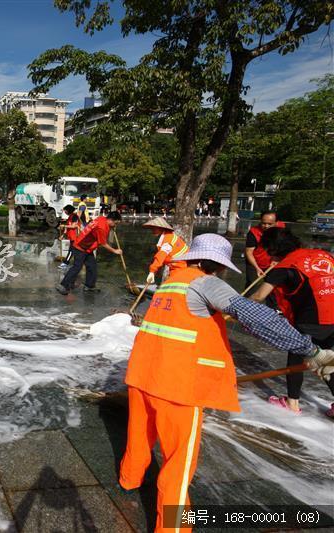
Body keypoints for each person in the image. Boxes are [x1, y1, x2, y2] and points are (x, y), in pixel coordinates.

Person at [120, 233, 334, 532]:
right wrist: (310, 350)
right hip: (176, 386)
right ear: (219, 266)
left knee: (139, 436)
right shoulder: (206, 283)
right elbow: (257, 317)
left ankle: (130, 480)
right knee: (178, 463)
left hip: (142, 374)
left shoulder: (172, 281)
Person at [251, 227, 334, 416]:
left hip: (314, 319)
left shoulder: (285, 267)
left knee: (296, 355)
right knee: (328, 360)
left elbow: (258, 296)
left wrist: (233, 307)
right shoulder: (323, 255)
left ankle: (292, 403)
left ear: (272, 250)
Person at [56, 211, 122, 295]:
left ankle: (89, 286)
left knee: (92, 266)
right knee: (77, 267)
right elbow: (103, 243)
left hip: (88, 248)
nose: (115, 226)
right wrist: (115, 250)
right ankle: (63, 285)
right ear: (111, 220)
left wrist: (111, 228)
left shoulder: (102, 219)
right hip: (80, 246)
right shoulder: (101, 227)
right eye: (115, 223)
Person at [244, 211, 284, 293]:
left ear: (276, 222)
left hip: (273, 262)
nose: (266, 226)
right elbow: (249, 252)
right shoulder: (253, 233)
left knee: (273, 287)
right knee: (252, 285)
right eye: (263, 223)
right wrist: (257, 268)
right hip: (254, 262)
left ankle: (272, 305)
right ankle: (246, 303)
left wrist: (277, 259)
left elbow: (285, 247)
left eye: (270, 224)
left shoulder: (282, 230)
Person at [142, 217, 189, 285]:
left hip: (181, 267)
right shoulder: (168, 236)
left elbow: (161, 255)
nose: (152, 230)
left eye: (154, 228)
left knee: (174, 287)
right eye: (152, 228)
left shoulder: (168, 239)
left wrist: (152, 271)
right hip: (178, 266)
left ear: (161, 228)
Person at [58, 205, 81, 269]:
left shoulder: (75, 216)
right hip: (71, 237)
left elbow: (74, 226)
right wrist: (62, 235)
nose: (65, 212)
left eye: (65, 210)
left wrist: (64, 226)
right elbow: (67, 228)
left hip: (76, 236)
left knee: (71, 251)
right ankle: (78, 263)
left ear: (68, 210)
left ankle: (65, 263)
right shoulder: (69, 217)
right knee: (75, 251)